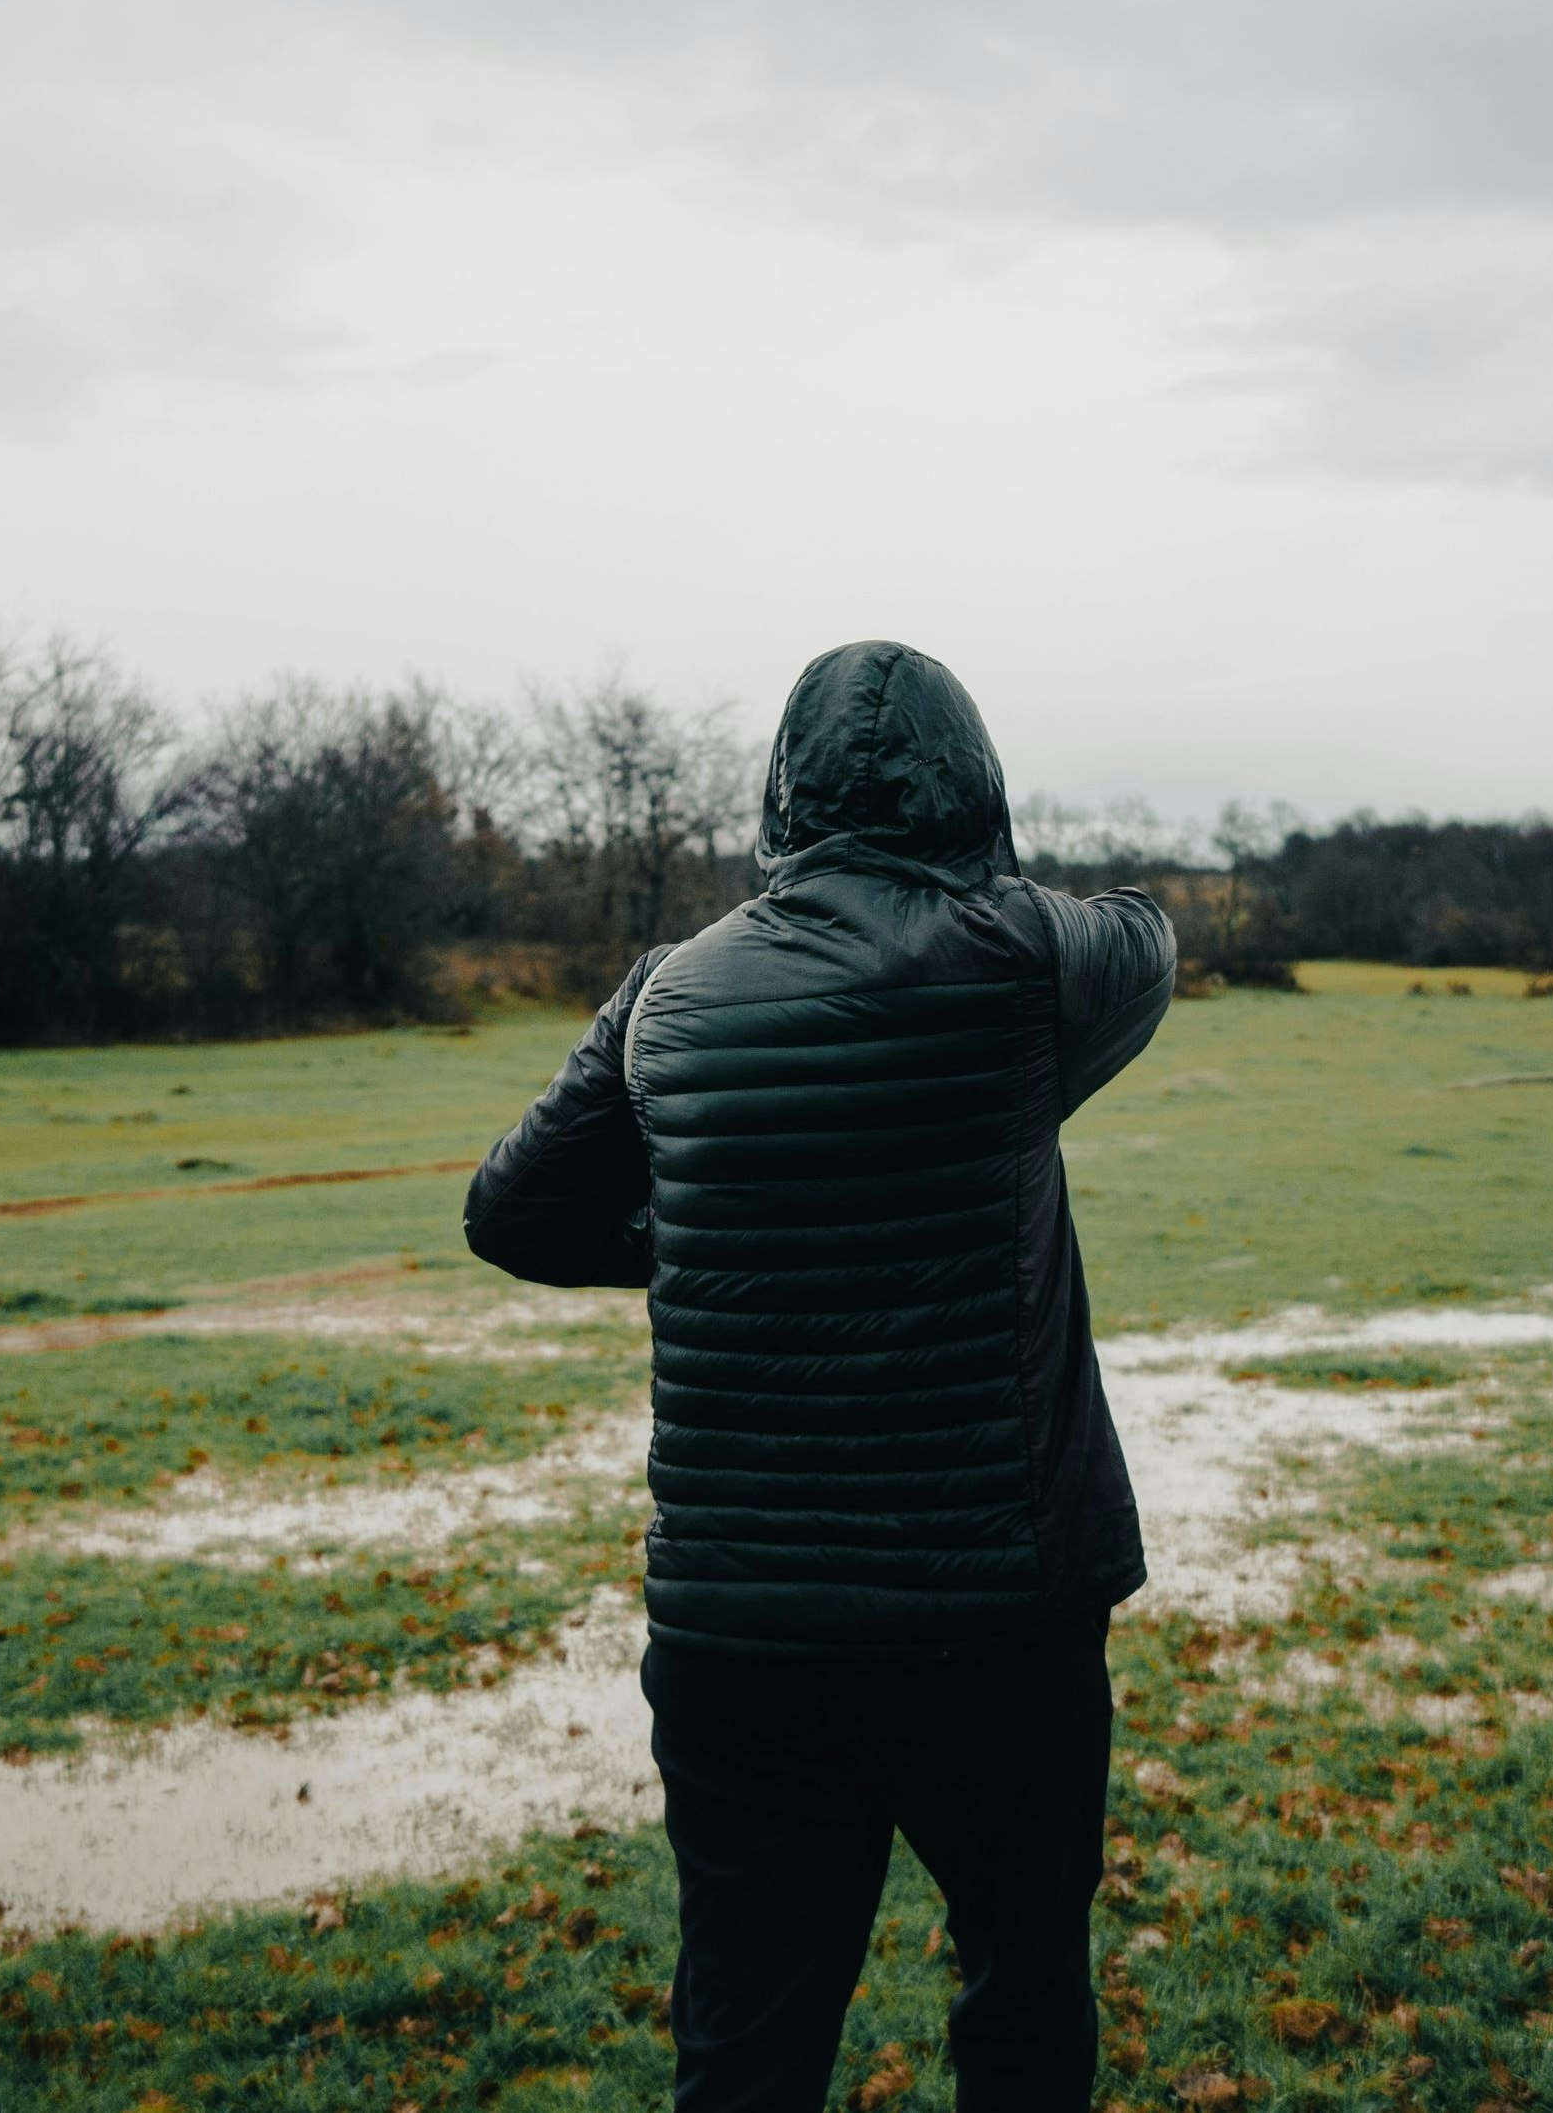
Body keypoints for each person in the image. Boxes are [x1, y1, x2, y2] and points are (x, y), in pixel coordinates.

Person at [465, 640, 1177, 2113]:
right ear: (972, 785)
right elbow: (1149, 933)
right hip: (1001, 1625)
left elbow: (514, 1211)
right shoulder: (1030, 960)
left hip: (741, 1643)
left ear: (779, 793)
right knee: (1025, 2000)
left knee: (746, 2049)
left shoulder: (666, 994)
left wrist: (720, 1241)